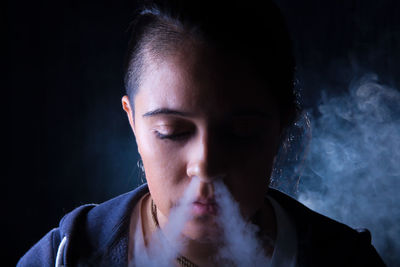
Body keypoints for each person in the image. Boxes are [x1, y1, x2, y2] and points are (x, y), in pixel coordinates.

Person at [18, 0, 385, 266]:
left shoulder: (344, 260)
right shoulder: (65, 257)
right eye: (172, 131)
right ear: (132, 121)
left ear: (281, 127)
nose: (206, 166)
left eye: (241, 132)